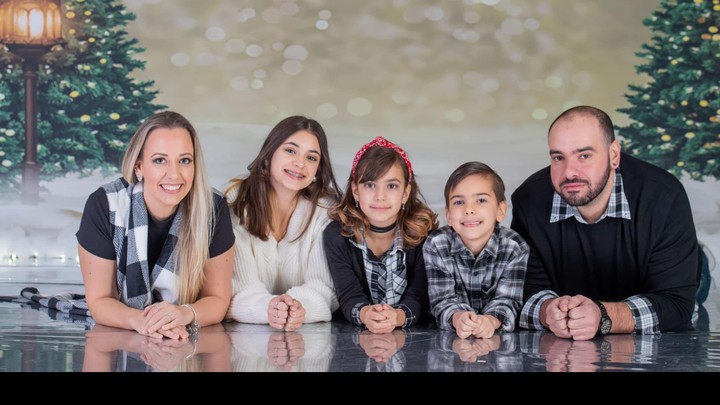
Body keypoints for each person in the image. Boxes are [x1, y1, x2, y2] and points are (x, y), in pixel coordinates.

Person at [511, 105, 700, 340]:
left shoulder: (664, 196)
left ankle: (699, 255)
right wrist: (548, 311)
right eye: (558, 157)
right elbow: (522, 294)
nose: (569, 172)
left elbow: (677, 305)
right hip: (576, 296)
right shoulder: (529, 201)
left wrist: (603, 315)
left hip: (662, 269)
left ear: (613, 155)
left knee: (695, 282)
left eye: (584, 156)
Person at [76, 111, 235, 339]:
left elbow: (217, 300)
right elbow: (100, 301)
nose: (174, 174)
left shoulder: (212, 208)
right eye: (160, 160)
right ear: (139, 166)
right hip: (127, 332)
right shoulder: (105, 205)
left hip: (182, 336)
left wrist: (182, 314)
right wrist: (143, 322)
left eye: (184, 160)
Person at [225, 116, 340, 331]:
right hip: (243, 337)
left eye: (311, 157)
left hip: (306, 335)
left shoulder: (326, 211)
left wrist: (300, 309)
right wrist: (270, 309)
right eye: (290, 150)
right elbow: (235, 291)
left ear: (318, 169)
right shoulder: (234, 204)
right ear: (269, 154)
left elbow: (325, 287)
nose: (300, 163)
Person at [324, 136, 438, 333]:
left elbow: (419, 296)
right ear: (355, 191)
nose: (380, 196)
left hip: (412, 337)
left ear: (405, 193)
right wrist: (367, 314)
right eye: (370, 185)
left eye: (391, 186)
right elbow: (349, 295)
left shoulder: (425, 235)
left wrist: (396, 317)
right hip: (356, 336)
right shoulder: (337, 236)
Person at [424, 162, 528, 339]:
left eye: (481, 200)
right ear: (448, 215)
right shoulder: (436, 244)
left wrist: (490, 320)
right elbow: (442, 300)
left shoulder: (514, 247)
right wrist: (458, 318)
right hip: (452, 340)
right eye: (459, 202)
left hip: (496, 341)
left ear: (501, 210)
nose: (469, 210)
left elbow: (508, 300)